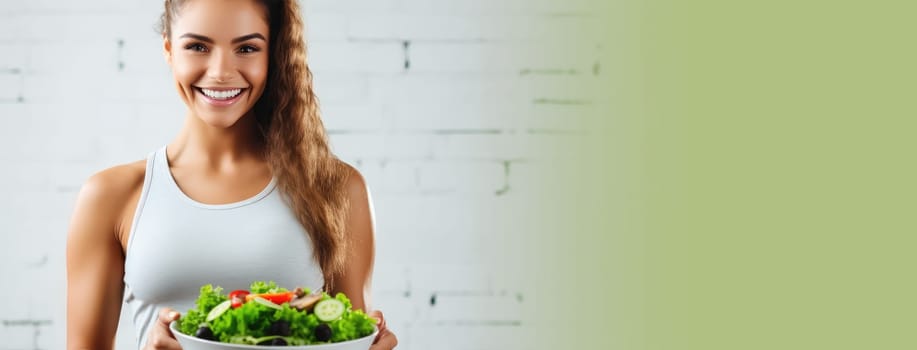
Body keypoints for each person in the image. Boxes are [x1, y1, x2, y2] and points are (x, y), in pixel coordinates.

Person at [65, 0, 397, 348]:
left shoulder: (338, 189)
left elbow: (347, 336)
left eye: (247, 48)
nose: (221, 71)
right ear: (168, 48)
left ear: (274, 53)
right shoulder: (110, 196)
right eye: (197, 46)